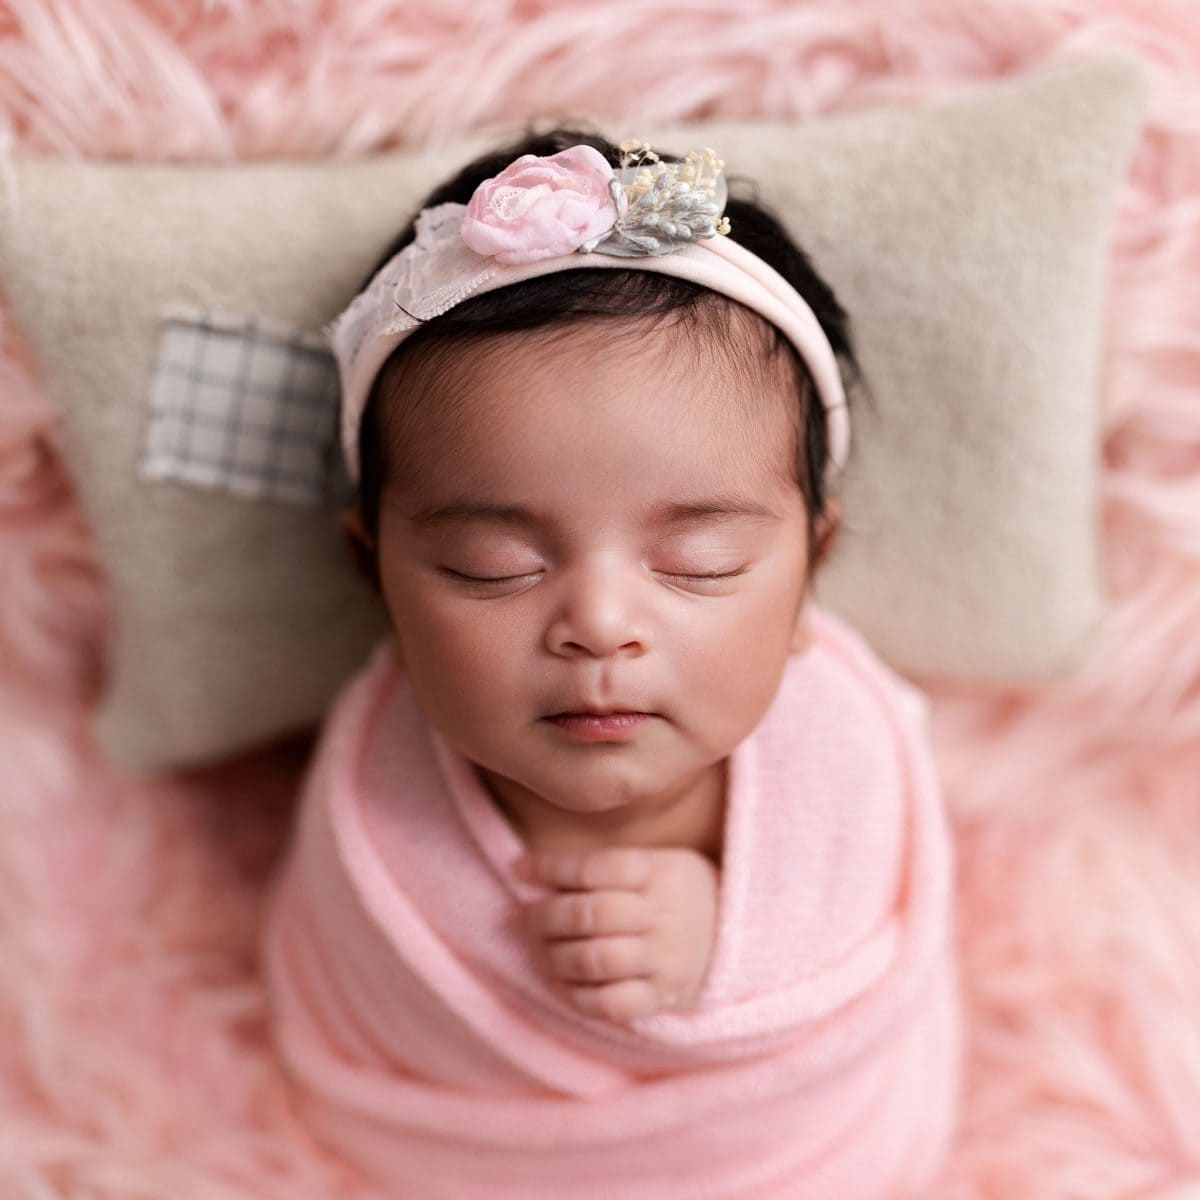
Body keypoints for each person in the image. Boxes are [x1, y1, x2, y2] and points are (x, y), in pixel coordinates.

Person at [260, 126, 962, 1199]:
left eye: (700, 560)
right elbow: (357, 1019)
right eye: (489, 564)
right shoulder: (373, 810)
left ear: (810, 567)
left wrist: (730, 948)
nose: (599, 624)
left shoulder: (844, 761)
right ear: (377, 572)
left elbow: (861, 951)